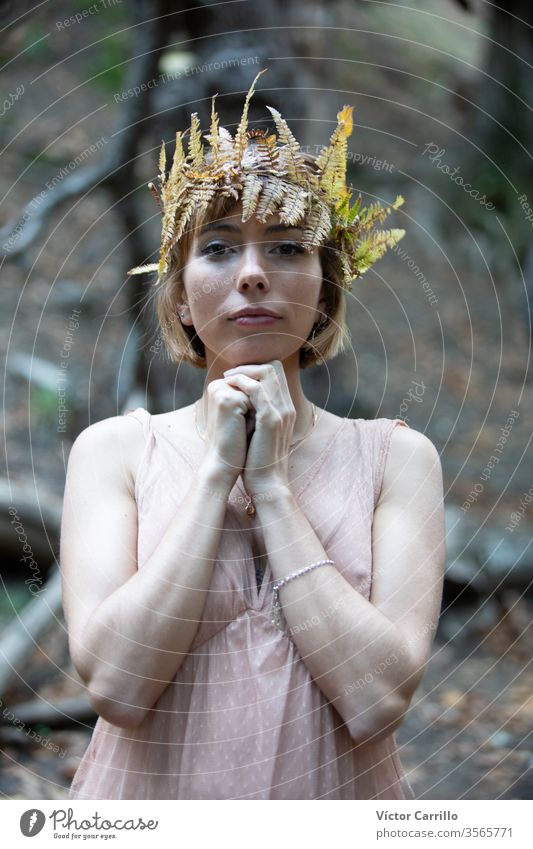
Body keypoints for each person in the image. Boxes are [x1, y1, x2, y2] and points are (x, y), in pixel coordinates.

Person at [61, 70, 445, 800]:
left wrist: (271, 487)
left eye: (287, 247)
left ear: (326, 288)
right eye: (217, 247)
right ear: (177, 294)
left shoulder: (398, 460)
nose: (252, 274)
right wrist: (215, 476)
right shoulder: (112, 452)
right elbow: (116, 683)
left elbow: (376, 700)